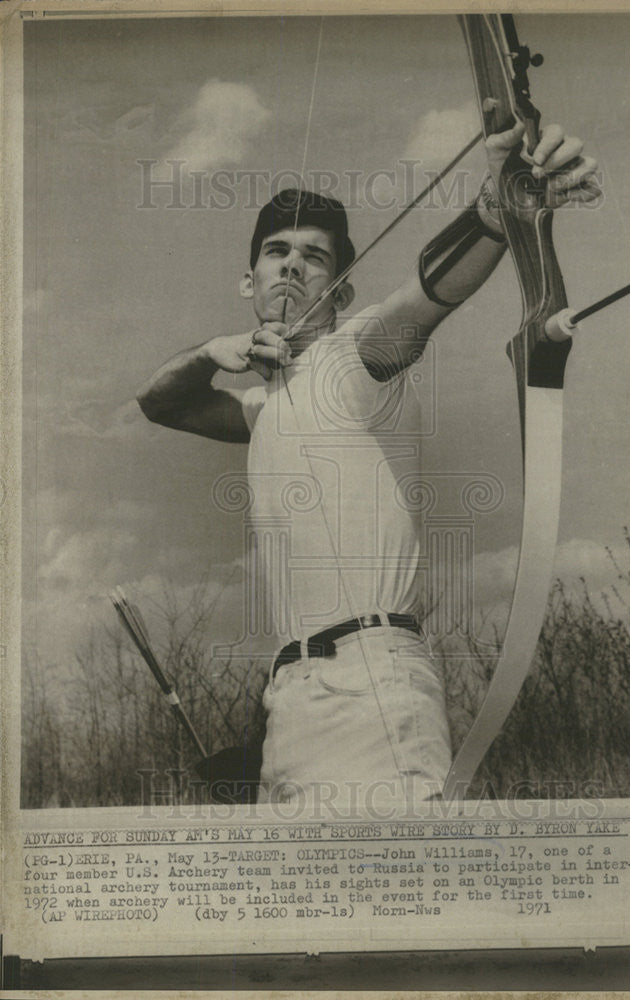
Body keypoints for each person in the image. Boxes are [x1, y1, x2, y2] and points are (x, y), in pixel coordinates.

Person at [137, 122, 599, 811]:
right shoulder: (263, 407)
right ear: (249, 279)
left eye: (315, 258)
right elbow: (159, 402)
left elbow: (427, 297)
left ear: (341, 293)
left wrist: (496, 213)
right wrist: (212, 352)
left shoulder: (356, 355)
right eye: (276, 251)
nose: (292, 266)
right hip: (287, 698)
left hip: (371, 683)